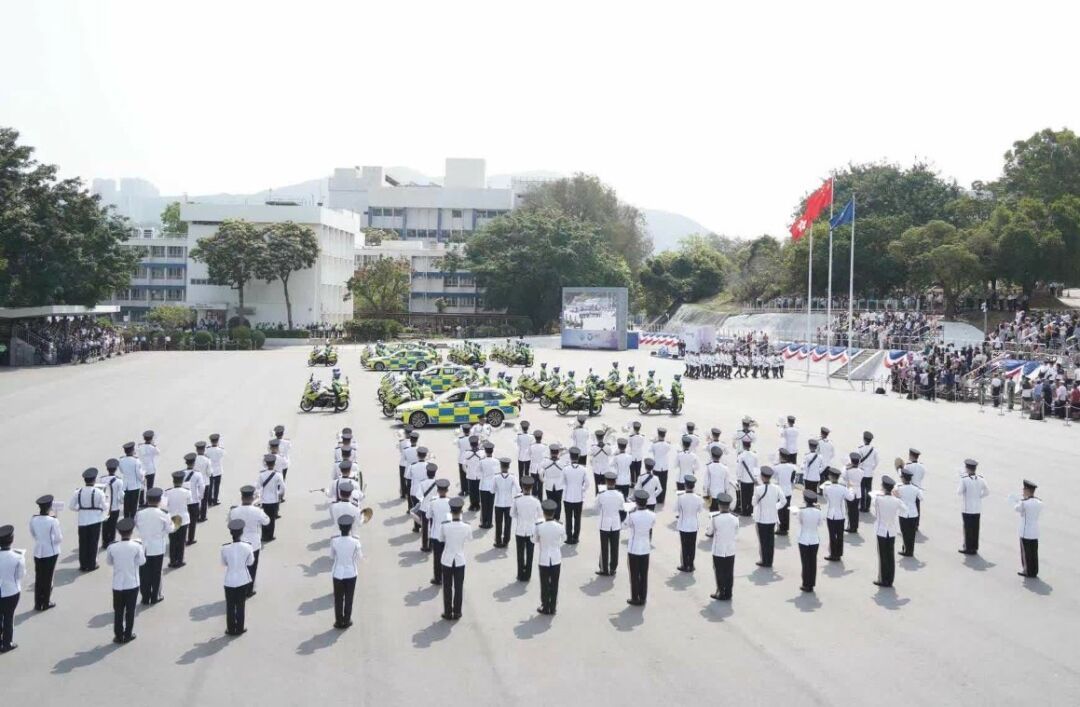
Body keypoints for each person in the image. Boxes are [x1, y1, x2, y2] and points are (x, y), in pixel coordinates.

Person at [106, 518, 145, 644]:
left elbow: (109, 562)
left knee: (118, 611)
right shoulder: (136, 546)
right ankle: (128, 634)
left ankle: (118, 635)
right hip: (132, 583)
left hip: (117, 584)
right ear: (132, 531)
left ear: (119, 532)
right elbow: (142, 562)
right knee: (130, 611)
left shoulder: (112, 547)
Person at [227, 486, 270, 597]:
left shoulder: (234, 511)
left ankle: (239, 588)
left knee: (240, 567)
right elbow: (267, 522)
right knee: (252, 568)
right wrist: (260, 511)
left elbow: (229, 523)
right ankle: (249, 590)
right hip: (254, 544)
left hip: (239, 542)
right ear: (252, 498)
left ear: (241, 497)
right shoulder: (257, 511)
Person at [134, 488, 170, 604]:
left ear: (147, 500)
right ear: (159, 500)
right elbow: (169, 529)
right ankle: (155, 596)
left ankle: (145, 597)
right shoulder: (164, 514)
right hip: (158, 547)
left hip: (144, 547)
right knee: (157, 573)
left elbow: (137, 526)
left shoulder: (139, 513)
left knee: (144, 573)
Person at [222, 518, 255, 636]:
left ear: (231, 533)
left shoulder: (225, 548)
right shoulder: (248, 547)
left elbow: (224, 563)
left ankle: (230, 629)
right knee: (241, 605)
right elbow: (251, 562)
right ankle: (240, 627)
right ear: (242, 532)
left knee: (230, 605)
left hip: (229, 580)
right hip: (243, 579)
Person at [623, 489, 656, 606]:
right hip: (645, 548)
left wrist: (629, 512)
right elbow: (651, 526)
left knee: (634, 574)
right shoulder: (652, 515)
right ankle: (643, 597)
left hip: (634, 548)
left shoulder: (632, 515)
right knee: (644, 574)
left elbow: (624, 526)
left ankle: (634, 597)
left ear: (636, 502)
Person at [29, 495, 61, 611]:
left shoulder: (34, 519)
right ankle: (46, 602)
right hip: (50, 552)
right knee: (48, 578)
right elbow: (58, 538)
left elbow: (33, 533)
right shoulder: (53, 521)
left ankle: (38, 603)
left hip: (38, 551)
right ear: (50, 507)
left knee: (39, 577)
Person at [70, 467, 106, 571]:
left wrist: (80, 509)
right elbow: (104, 506)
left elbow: (71, 506)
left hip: (82, 520)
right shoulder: (99, 492)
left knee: (83, 543)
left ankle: (83, 564)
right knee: (93, 543)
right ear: (94, 480)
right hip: (95, 520)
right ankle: (92, 564)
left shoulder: (78, 492)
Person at [534, 500, 566, 615]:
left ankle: (545, 605)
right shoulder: (560, 526)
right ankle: (553, 606)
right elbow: (564, 538)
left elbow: (534, 540)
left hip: (544, 558)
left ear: (544, 513)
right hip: (556, 557)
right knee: (554, 583)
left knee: (544, 583)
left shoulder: (539, 526)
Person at [872, 476, 906, 588]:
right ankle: (890, 579)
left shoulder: (878, 498)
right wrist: (898, 498)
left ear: (883, 487)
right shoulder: (897, 501)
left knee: (882, 556)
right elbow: (905, 510)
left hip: (881, 530)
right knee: (890, 555)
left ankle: (883, 579)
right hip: (891, 530)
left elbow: (873, 502)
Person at [330, 515, 363, 629]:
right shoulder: (355, 541)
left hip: (338, 573)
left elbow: (331, 556)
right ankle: (347, 620)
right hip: (351, 573)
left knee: (338, 599)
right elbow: (359, 557)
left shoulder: (334, 541)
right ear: (350, 528)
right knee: (349, 598)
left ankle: (338, 621)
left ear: (339, 527)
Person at [440, 497, 469, 620]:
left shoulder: (445, 526)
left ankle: (448, 612)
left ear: (450, 512)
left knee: (447, 587)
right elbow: (469, 538)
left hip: (447, 559)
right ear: (461, 512)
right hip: (460, 560)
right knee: (458, 587)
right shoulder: (466, 526)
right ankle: (457, 611)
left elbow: (441, 539)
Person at [705, 494, 738, 601]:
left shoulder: (715, 518)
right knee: (729, 571)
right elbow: (736, 532)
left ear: (719, 505)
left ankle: (720, 591)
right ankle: (728, 592)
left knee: (719, 571)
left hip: (718, 549)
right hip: (730, 549)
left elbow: (710, 532)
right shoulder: (735, 518)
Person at [752, 466, 786, 568]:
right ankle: (770, 561)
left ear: (762, 477)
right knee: (770, 541)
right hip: (772, 518)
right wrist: (775, 507)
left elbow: (754, 503)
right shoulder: (777, 488)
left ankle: (764, 560)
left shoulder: (758, 489)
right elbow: (783, 501)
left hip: (761, 518)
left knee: (763, 541)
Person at [511, 476, 543, 581]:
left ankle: (520, 574)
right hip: (531, 530)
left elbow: (512, 514)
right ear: (531, 487)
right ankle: (528, 574)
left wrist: (520, 517)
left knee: (520, 554)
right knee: (530, 554)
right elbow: (540, 516)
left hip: (520, 530)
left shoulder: (517, 500)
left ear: (523, 487)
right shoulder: (536, 501)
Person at [0, 525, 25, 653]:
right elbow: (20, 575)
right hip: (11, 592)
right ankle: (7, 643)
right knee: (9, 617)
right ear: (12, 539)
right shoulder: (18, 557)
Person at [957, 459, 989, 555]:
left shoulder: (964, 479)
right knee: (975, 528)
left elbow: (959, 492)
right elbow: (987, 492)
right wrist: (979, 497)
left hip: (967, 508)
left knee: (967, 528)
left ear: (967, 468)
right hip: (977, 508)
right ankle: (974, 547)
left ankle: (968, 547)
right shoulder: (981, 478)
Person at [595, 472, 624, 576]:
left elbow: (596, 507)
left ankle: (604, 569)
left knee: (604, 547)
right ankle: (613, 568)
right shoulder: (620, 495)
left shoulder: (601, 494)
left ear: (606, 482)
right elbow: (621, 508)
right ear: (615, 482)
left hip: (604, 524)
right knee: (615, 547)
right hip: (615, 524)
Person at [163, 471, 192, 568]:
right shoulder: (187, 492)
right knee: (181, 540)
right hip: (183, 519)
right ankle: (179, 560)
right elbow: (190, 502)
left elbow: (164, 506)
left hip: (172, 518)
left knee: (173, 540)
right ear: (182, 481)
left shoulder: (167, 492)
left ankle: (172, 560)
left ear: (173, 481)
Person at [675, 475, 704, 572]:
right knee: (692, 545)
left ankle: (685, 565)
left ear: (685, 485)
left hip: (683, 525)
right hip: (693, 525)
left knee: (684, 546)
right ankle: (691, 565)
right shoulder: (698, 498)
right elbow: (700, 510)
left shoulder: (681, 497)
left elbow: (676, 509)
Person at [797, 490, 823, 592]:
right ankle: (811, 583)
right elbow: (820, 524)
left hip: (803, 539)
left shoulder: (802, 511)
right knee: (813, 562)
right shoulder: (818, 511)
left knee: (805, 563)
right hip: (814, 539)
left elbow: (800, 522)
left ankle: (805, 583)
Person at [562, 447, 589, 543]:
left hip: (568, 497)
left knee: (568, 518)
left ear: (570, 457)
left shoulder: (565, 469)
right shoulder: (583, 469)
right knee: (577, 519)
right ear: (578, 457)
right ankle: (576, 537)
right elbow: (587, 483)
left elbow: (562, 482)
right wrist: (582, 489)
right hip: (579, 497)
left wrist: (567, 489)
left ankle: (569, 537)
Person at [1015, 479, 1042, 578]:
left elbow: (1017, 509)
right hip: (1035, 531)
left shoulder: (1024, 502)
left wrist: (1019, 501)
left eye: (1024, 489)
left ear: (1027, 490)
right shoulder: (1039, 502)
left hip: (1025, 531)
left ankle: (1027, 570)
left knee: (1026, 553)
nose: (1022, 491)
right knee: (1034, 552)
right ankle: (1034, 571)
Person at [428, 479, 452, 584]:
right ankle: (447, 577)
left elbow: (428, 515)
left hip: (436, 534)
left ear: (437, 490)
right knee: (447, 556)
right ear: (447, 490)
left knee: (437, 557)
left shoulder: (433, 502)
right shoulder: (451, 502)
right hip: (447, 534)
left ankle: (437, 578)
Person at [492, 458, 520, 549]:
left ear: (501, 466)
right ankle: (506, 540)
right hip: (509, 503)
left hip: (498, 503)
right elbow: (518, 489)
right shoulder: (512, 477)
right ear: (508, 467)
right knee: (508, 523)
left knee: (498, 523)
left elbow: (492, 491)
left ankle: (498, 541)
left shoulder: (496, 477)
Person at [896, 470, 924, 557]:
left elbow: (896, 496)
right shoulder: (916, 488)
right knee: (912, 534)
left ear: (904, 479)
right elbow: (921, 498)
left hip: (903, 513)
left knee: (904, 532)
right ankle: (910, 551)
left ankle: (906, 550)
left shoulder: (899, 488)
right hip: (913, 513)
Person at [181, 453, 206, 545]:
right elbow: (202, 487)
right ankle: (190, 539)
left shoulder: (182, 473)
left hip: (184, 501)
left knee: (184, 521)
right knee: (193, 522)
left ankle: (182, 538)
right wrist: (201, 497)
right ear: (194, 463)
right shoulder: (197, 474)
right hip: (194, 501)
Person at [100, 459, 125, 549]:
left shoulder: (102, 479)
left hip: (105, 506)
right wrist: (122, 502)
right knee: (113, 524)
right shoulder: (119, 481)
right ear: (116, 469)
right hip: (114, 506)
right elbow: (121, 495)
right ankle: (112, 541)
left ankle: (105, 541)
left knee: (105, 524)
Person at [773, 451, 797, 536]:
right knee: (786, 510)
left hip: (780, 491)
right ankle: (786, 528)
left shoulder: (777, 467)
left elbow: (774, 477)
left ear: (781, 457)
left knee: (780, 510)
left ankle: (781, 528)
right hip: (788, 491)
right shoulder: (792, 466)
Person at [540, 443, 566, 518]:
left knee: (550, 501)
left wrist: (543, 480)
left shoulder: (546, 462)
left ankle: (550, 516)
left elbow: (540, 473)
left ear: (550, 453)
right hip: (559, 485)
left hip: (549, 485)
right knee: (558, 502)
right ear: (558, 453)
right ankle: (557, 518)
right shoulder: (561, 462)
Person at [118, 442, 144, 519]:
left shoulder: (121, 460)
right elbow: (139, 474)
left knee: (126, 504)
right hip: (135, 485)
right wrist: (142, 479)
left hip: (126, 485)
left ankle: (126, 519)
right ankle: (132, 520)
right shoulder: (136, 461)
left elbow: (122, 471)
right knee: (134, 505)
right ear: (132, 450)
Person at [855, 431, 879, 513]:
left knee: (861, 489)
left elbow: (857, 460)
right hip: (870, 473)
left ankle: (862, 506)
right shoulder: (874, 450)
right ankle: (867, 507)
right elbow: (877, 461)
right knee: (869, 490)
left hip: (862, 472)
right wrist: (872, 468)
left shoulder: (860, 449)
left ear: (864, 439)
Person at [478, 443, 500, 529]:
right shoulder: (497, 461)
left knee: (484, 505)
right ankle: (490, 522)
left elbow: (479, 471)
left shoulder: (482, 461)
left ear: (485, 452)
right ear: (492, 451)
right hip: (492, 485)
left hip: (483, 485)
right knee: (490, 505)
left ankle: (484, 522)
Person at [735, 440, 759, 517]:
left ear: (743, 446)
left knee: (744, 496)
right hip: (751, 479)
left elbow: (739, 468)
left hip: (744, 479)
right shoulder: (754, 455)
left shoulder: (741, 455)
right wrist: (756, 477)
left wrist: (738, 477)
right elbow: (756, 467)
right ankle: (750, 510)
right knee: (750, 495)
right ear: (750, 445)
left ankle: (744, 510)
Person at [649, 428, 672, 504]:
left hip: (656, 466)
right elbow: (669, 447)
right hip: (664, 466)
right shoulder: (667, 445)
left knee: (656, 483)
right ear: (664, 435)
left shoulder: (655, 445)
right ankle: (662, 499)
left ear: (658, 435)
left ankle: (656, 498)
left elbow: (649, 450)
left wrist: (653, 442)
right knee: (664, 484)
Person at [136, 430, 159, 507]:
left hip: (142, 468)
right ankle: (148, 501)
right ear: (151, 438)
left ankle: (141, 501)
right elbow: (158, 453)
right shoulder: (152, 447)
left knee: (142, 486)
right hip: (150, 469)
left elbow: (137, 453)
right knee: (150, 486)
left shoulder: (140, 446)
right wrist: (154, 445)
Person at [842, 453, 863, 533]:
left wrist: (846, 467)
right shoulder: (861, 471)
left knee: (850, 510)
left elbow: (844, 477)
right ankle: (855, 526)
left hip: (850, 490)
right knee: (856, 510)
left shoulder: (848, 470)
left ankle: (850, 526)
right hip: (858, 492)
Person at [590, 429, 613, 495]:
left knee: (597, 487)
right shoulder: (608, 447)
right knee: (603, 487)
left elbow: (590, 453)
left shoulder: (593, 448)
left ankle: (597, 500)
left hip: (596, 470)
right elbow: (610, 453)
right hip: (605, 470)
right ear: (603, 437)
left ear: (596, 438)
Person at [193, 442, 212, 521]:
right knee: (204, 500)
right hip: (205, 482)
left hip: (196, 482)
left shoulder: (193, 459)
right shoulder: (207, 460)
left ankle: (196, 515)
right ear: (204, 450)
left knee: (197, 499)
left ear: (196, 450)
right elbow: (209, 473)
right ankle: (203, 516)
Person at [205, 433, 226, 506]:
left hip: (210, 470)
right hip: (218, 470)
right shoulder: (221, 450)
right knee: (217, 486)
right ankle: (215, 500)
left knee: (210, 486)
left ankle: (209, 500)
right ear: (217, 441)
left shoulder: (207, 450)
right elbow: (223, 454)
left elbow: (206, 456)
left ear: (211, 441)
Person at [463, 436, 483, 512]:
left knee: (471, 490)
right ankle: (477, 505)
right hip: (479, 475)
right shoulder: (482, 452)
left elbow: (464, 465)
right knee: (478, 490)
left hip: (470, 475)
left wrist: (466, 472)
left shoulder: (467, 453)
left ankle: (472, 504)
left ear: (470, 445)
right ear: (478, 444)